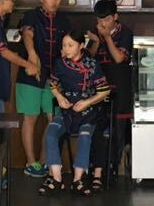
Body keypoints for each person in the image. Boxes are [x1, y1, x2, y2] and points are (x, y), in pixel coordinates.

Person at [38, 29, 110, 197]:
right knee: (51, 134)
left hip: (88, 113)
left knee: (85, 137)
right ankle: (57, 179)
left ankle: (78, 180)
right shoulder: (60, 64)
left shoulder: (92, 65)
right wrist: (59, 97)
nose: (66, 48)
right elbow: (53, 84)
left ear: (81, 45)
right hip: (66, 112)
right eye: (64, 45)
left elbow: (104, 91)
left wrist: (87, 102)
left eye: (70, 45)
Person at [17, 0, 68, 176]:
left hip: (54, 76)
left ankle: (45, 160)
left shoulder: (63, 20)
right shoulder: (31, 15)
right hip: (32, 73)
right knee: (30, 118)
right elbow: (27, 34)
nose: (54, 2)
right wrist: (31, 54)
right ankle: (31, 163)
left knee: (52, 118)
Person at [85, 0, 134, 191]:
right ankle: (97, 167)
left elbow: (119, 58)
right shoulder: (95, 32)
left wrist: (106, 38)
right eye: (99, 20)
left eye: (106, 19)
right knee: (98, 126)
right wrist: (96, 41)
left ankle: (115, 167)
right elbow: (87, 59)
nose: (102, 23)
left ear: (115, 17)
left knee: (118, 129)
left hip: (120, 87)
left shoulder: (126, 33)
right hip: (99, 87)